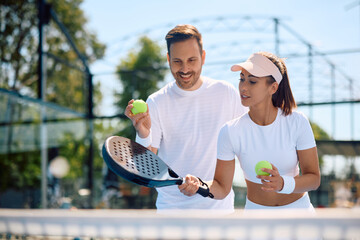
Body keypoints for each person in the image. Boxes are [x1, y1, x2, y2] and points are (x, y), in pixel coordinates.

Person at [125, 24, 247, 211]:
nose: (185, 69)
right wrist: (143, 133)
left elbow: (248, 143)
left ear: (203, 57)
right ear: (168, 60)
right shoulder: (157, 101)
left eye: (192, 60)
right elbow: (145, 169)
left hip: (219, 215)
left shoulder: (226, 93)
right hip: (172, 216)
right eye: (177, 61)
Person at [180, 51, 321, 211]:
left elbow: (314, 179)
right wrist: (200, 185)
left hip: (299, 214)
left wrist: (283, 183)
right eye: (241, 79)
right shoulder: (230, 131)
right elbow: (221, 188)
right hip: (256, 217)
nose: (243, 87)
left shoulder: (297, 121)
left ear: (273, 88)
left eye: (252, 81)